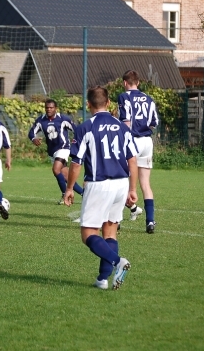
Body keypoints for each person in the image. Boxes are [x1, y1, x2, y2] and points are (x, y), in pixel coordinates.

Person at [64, 86, 138, 290]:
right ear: (109, 103)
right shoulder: (122, 127)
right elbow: (132, 160)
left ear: (88, 104)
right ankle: (103, 279)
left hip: (99, 184)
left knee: (88, 233)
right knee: (110, 232)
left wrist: (70, 188)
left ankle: (117, 261)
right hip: (121, 184)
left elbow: (76, 163)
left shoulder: (85, 127)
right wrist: (133, 189)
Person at [117, 70, 159, 233]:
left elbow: (126, 122)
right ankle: (150, 221)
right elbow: (154, 123)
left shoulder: (124, 96)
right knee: (145, 184)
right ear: (138, 83)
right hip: (147, 142)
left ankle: (117, 220)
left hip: (132, 141)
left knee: (123, 180)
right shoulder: (149, 99)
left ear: (125, 83)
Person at [28, 99, 84, 204]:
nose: (48, 109)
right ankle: (84, 194)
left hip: (63, 148)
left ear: (55, 108)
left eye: (51, 108)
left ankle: (64, 195)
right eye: (47, 108)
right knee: (66, 177)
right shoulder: (41, 120)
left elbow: (76, 129)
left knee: (56, 169)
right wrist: (33, 139)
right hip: (52, 152)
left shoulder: (63, 119)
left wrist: (76, 140)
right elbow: (31, 133)